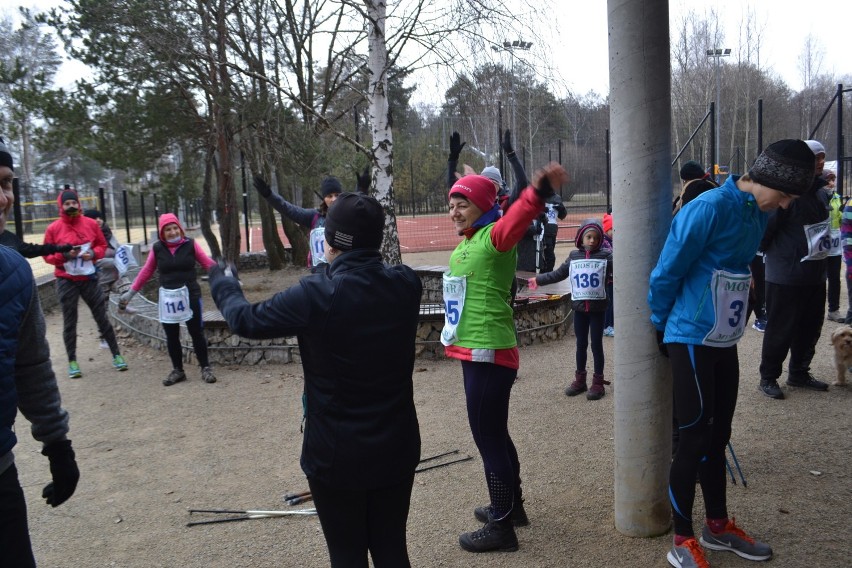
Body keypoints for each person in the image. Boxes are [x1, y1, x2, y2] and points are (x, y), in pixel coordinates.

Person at [210, 193, 422, 568]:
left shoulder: (316, 294)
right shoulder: (406, 284)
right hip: (396, 445)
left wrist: (224, 283)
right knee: (391, 548)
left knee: (346, 554)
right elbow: (368, 277)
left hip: (336, 455)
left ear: (331, 242)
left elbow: (244, 320)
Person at [649, 139, 815, 568]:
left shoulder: (755, 213)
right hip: (689, 336)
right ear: (766, 180)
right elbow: (668, 269)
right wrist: (659, 325)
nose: (783, 206)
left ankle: (717, 527)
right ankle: (682, 539)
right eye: (783, 196)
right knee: (693, 438)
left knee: (718, 436)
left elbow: (739, 269)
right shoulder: (707, 208)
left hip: (724, 338)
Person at [443, 163, 568, 553]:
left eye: (461, 203)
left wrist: (537, 192)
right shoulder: (470, 239)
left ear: (481, 205)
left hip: (488, 352)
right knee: (495, 433)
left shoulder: (494, 237)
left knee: (488, 439)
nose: (454, 211)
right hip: (476, 350)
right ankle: (511, 509)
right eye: (451, 204)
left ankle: (501, 526)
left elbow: (517, 216)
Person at [0, 139, 80, 568]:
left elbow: (29, 366)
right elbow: (40, 245)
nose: (3, 197)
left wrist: (57, 445)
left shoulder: (12, 275)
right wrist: (59, 251)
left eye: (7, 183)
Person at [757, 139, 831, 400]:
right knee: (780, 328)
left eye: (822, 157)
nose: (819, 162)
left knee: (811, 327)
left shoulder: (822, 192)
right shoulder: (785, 194)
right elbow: (767, 229)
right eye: (814, 158)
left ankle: (799, 371)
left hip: (814, 273)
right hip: (785, 275)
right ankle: (768, 377)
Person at [119, 214, 217, 386]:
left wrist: (224, 273)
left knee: (196, 332)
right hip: (168, 299)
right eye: (167, 230)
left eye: (174, 228)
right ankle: (178, 370)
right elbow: (146, 271)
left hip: (190, 295)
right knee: (172, 335)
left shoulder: (191, 245)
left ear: (180, 228)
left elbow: (207, 263)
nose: (172, 232)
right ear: (162, 233)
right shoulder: (157, 249)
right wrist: (130, 293)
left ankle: (205, 367)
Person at [43, 186, 128, 378]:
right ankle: (72, 361)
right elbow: (47, 254)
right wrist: (65, 255)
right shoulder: (53, 229)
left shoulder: (90, 224)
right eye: (67, 203)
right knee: (70, 320)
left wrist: (94, 254)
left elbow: (101, 245)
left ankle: (117, 355)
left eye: (74, 202)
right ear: (61, 206)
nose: (71, 206)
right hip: (66, 280)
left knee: (101, 316)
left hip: (89, 278)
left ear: (78, 204)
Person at [528, 219, 612, 399]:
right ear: (581, 238)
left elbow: (622, 269)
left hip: (598, 309)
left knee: (596, 345)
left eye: (596, 238)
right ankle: (580, 379)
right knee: (581, 344)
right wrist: (539, 279)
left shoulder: (606, 256)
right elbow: (558, 274)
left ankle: (598, 382)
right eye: (588, 237)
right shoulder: (574, 257)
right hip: (579, 309)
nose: (592, 241)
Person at [253, 175, 342, 271]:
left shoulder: (349, 216)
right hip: (318, 274)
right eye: (330, 196)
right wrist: (269, 195)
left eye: (337, 195)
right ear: (324, 198)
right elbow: (288, 209)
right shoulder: (314, 216)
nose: (333, 199)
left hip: (340, 273)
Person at [822, 169, 844, 322]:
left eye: (833, 179)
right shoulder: (816, 197)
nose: (831, 183)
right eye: (828, 180)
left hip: (835, 247)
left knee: (835, 278)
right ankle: (813, 310)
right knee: (817, 280)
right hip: (819, 247)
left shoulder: (837, 198)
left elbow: (841, 219)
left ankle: (833, 310)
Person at [602, 213, 615, 336]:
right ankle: (607, 326)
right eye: (612, 229)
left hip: (612, 279)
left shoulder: (611, 241)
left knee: (612, 303)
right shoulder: (605, 243)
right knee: (609, 304)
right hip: (608, 279)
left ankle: (610, 324)